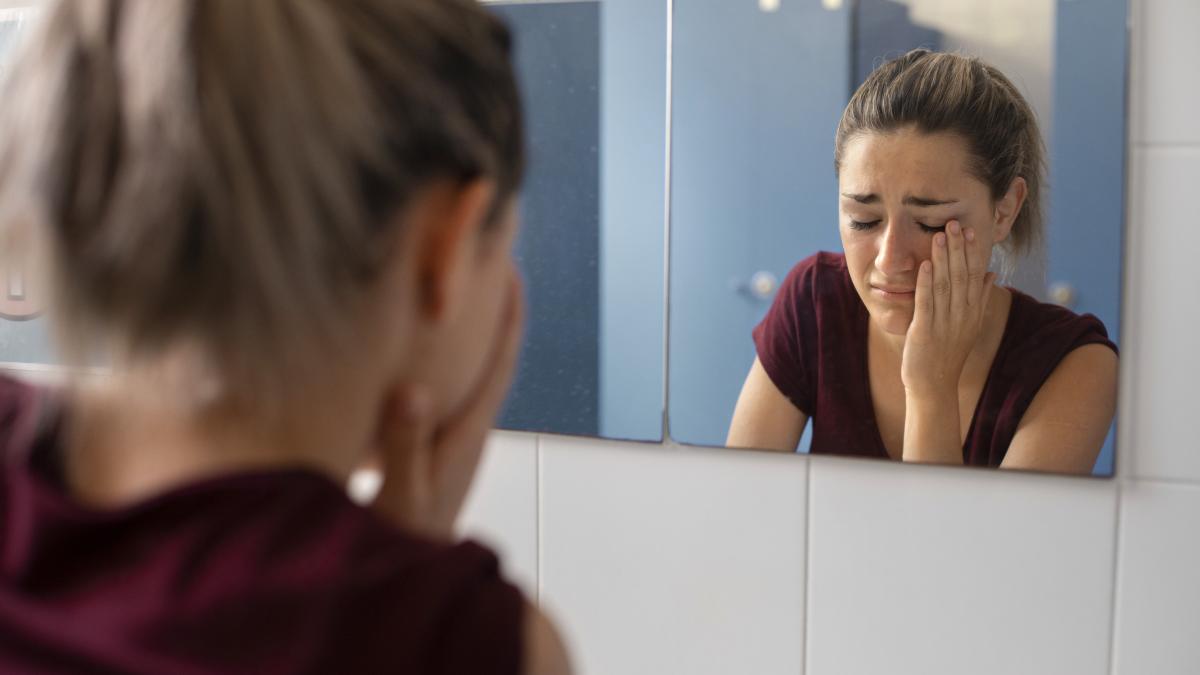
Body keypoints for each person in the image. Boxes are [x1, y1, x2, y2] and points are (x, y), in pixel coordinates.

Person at [0, 1, 571, 673]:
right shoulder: (471, 643)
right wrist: (402, 608)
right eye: (501, 244)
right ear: (444, 250)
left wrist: (388, 576)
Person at [727, 49, 1118, 474]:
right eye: (864, 220)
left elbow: (950, 541)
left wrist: (932, 387)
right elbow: (740, 506)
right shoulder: (815, 300)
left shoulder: (1075, 365)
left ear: (1004, 210)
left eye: (932, 224)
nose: (891, 260)